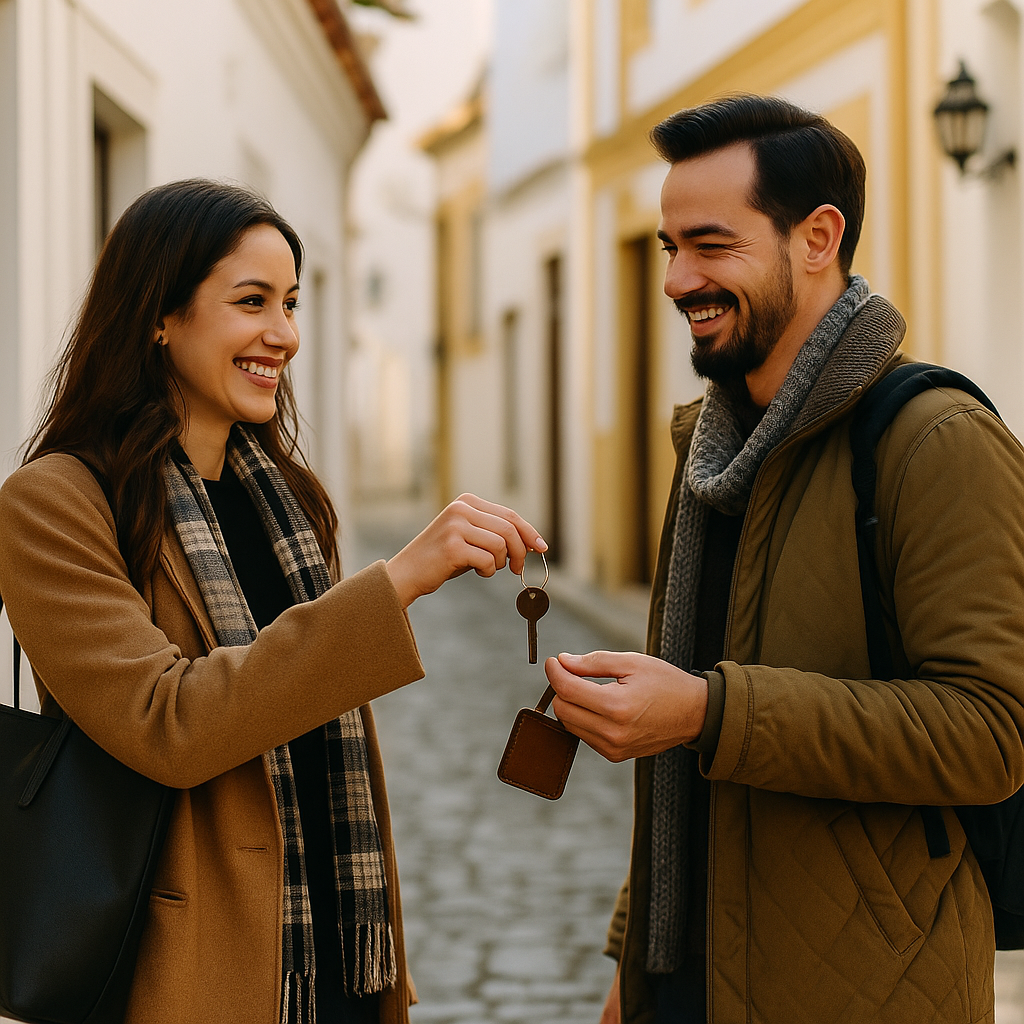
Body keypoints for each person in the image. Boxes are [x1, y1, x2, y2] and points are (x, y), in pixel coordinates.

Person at [0, 178, 546, 1024]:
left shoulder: (289, 500)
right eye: (251, 301)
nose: (283, 334)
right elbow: (166, 724)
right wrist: (396, 583)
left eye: (291, 302)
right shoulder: (55, 504)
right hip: (191, 964)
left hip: (337, 953)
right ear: (159, 314)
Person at [544, 95, 1024, 1023]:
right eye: (667, 247)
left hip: (867, 992)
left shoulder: (939, 442)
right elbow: (684, 788)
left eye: (712, 245)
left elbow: (992, 735)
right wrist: (630, 964)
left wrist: (707, 711)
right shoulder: (710, 453)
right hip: (687, 981)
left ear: (817, 237)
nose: (679, 279)